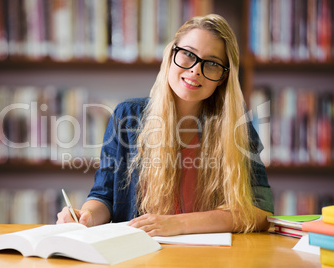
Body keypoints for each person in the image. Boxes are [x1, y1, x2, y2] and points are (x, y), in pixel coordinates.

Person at [57, 14, 274, 236]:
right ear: (171, 55)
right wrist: (87, 217)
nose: (195, 70)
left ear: (223, 78)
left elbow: (261, 211)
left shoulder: (237, 128)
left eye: (211, 64)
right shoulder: (128, 117)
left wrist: (178, 224)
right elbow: (104, 197)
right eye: (188, 55)